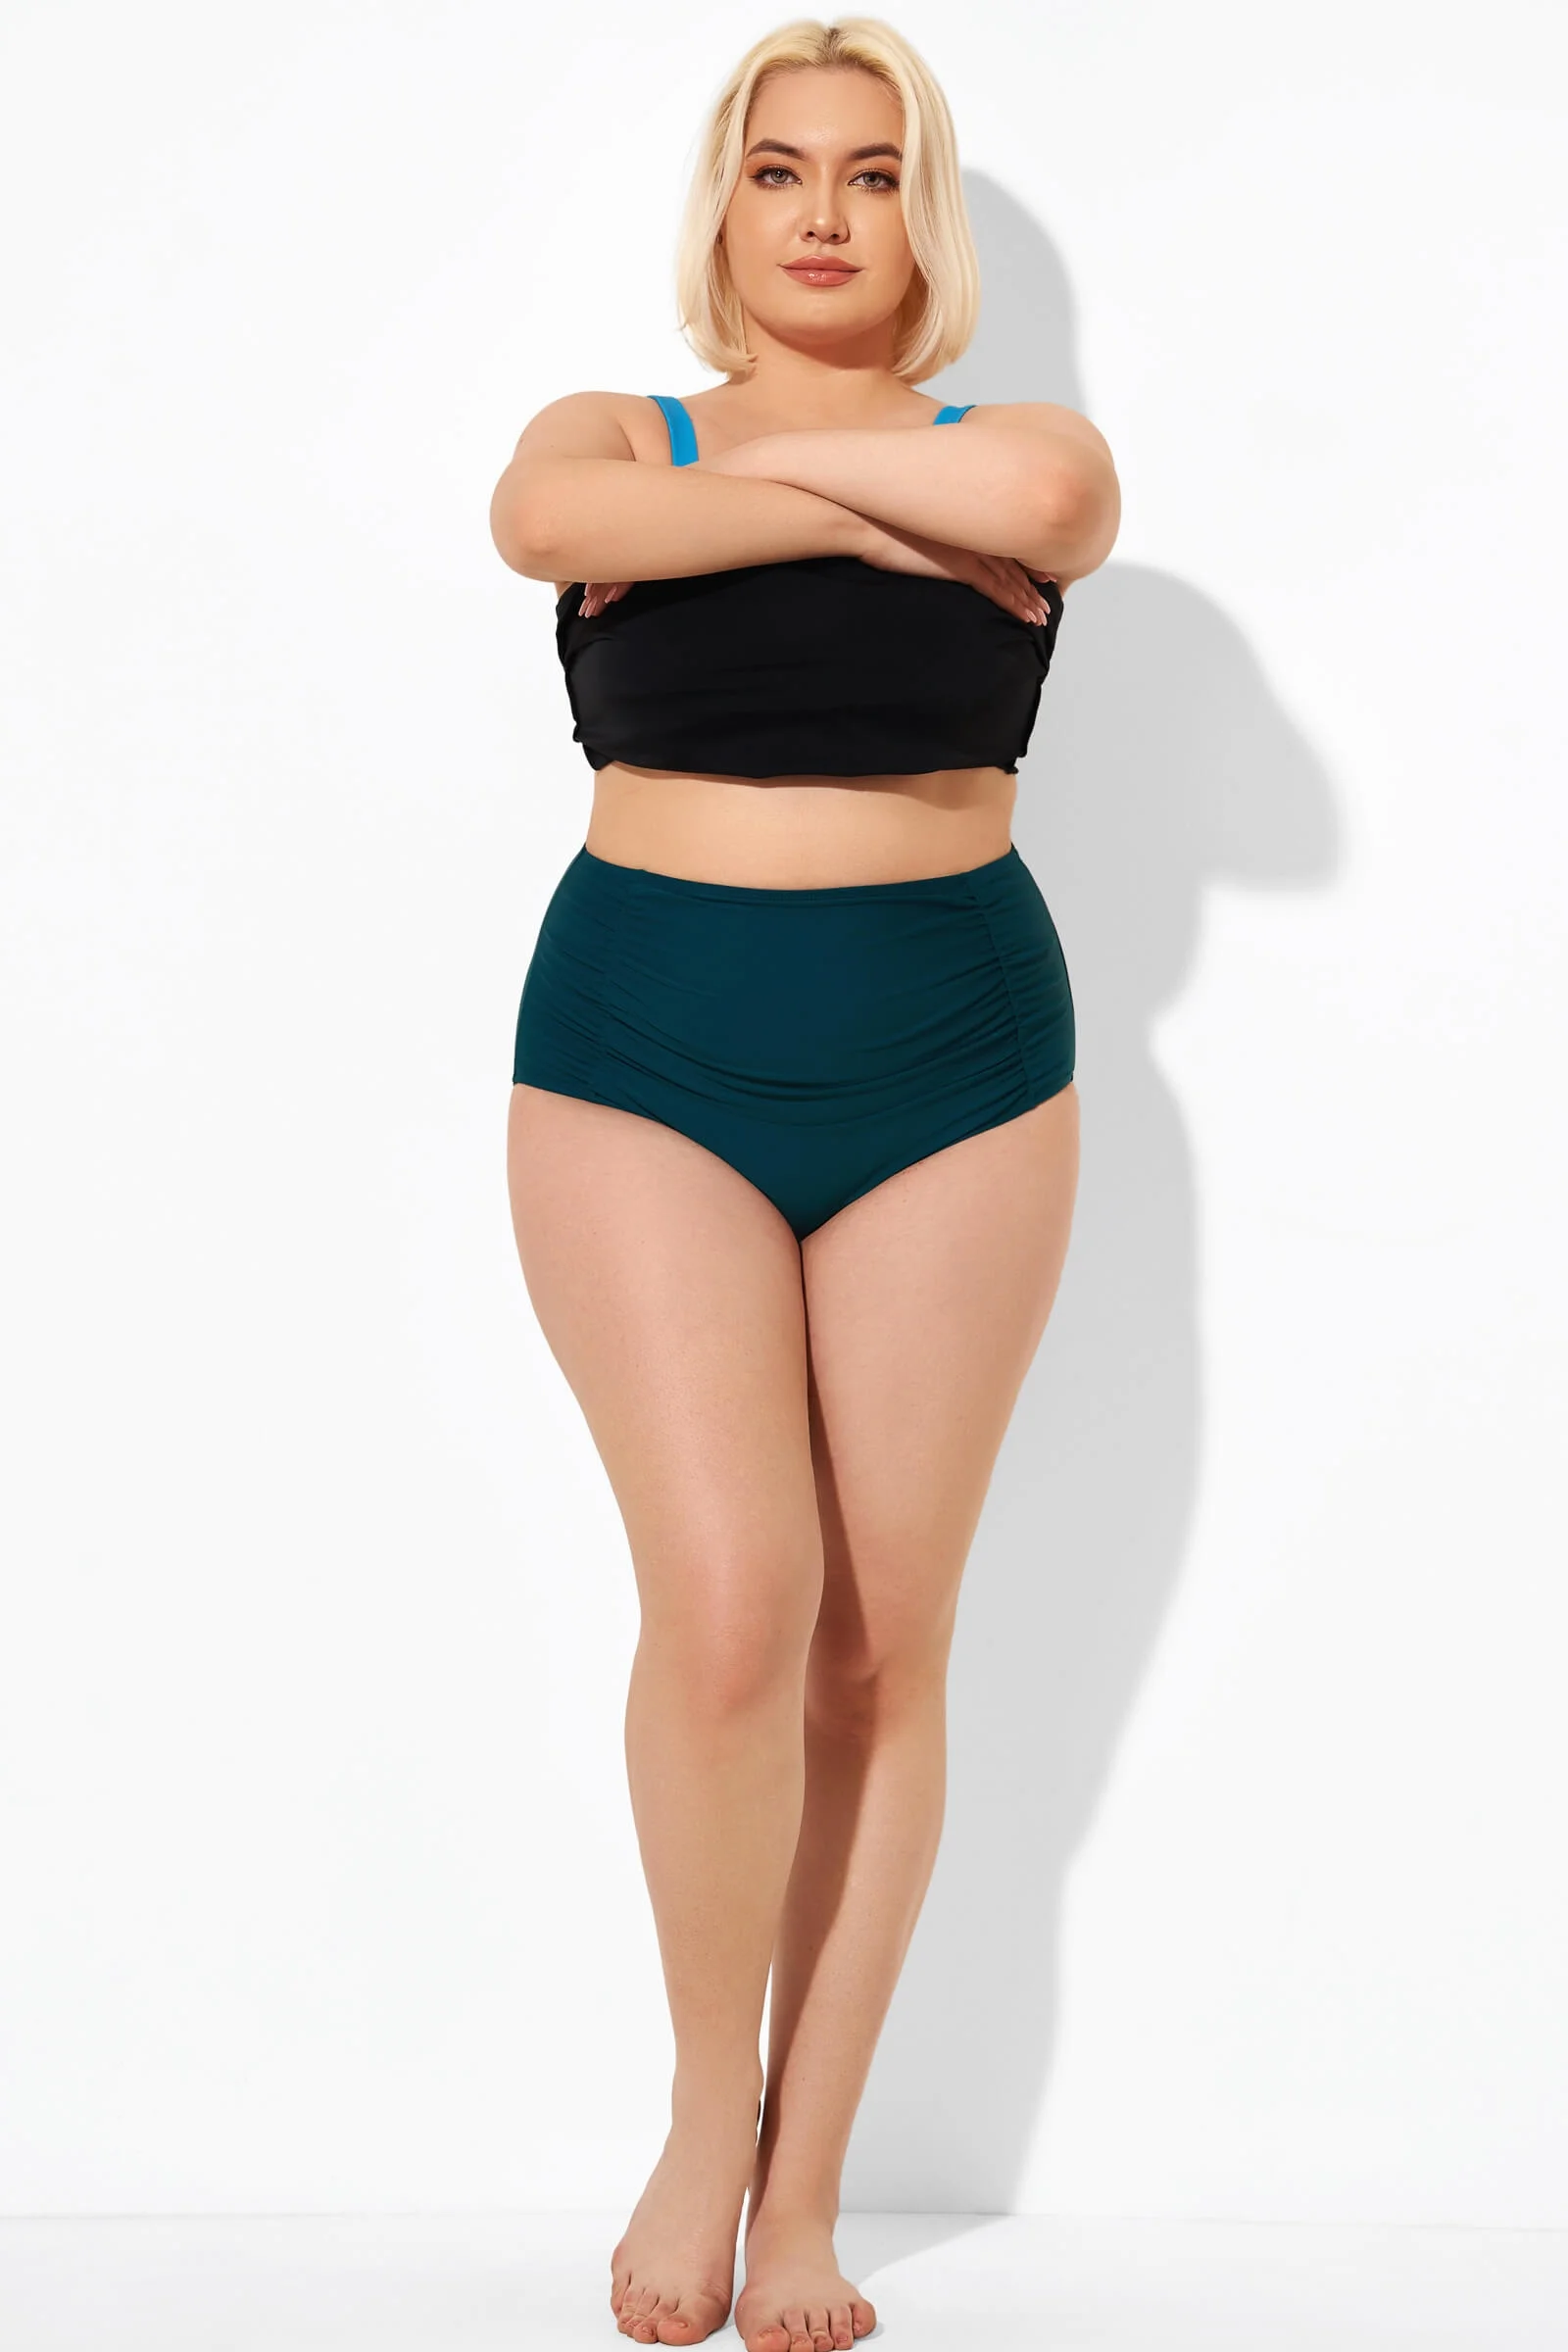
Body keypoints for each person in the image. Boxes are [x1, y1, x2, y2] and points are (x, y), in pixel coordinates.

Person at [487, 18, 1119, 2351]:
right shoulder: (604, 435)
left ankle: (805, 2191)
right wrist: (860, 511)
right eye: (778, 171)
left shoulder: (1023, 447)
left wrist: (818, 492)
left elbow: (1047, 509)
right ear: (726, 206)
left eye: (866, 172)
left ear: (915, 211)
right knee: (734, 1606)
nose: (823, 212)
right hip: (643, 1042)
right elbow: (547, 530)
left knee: (877, 1641)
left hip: (954, 1053)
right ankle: (698, 2112)